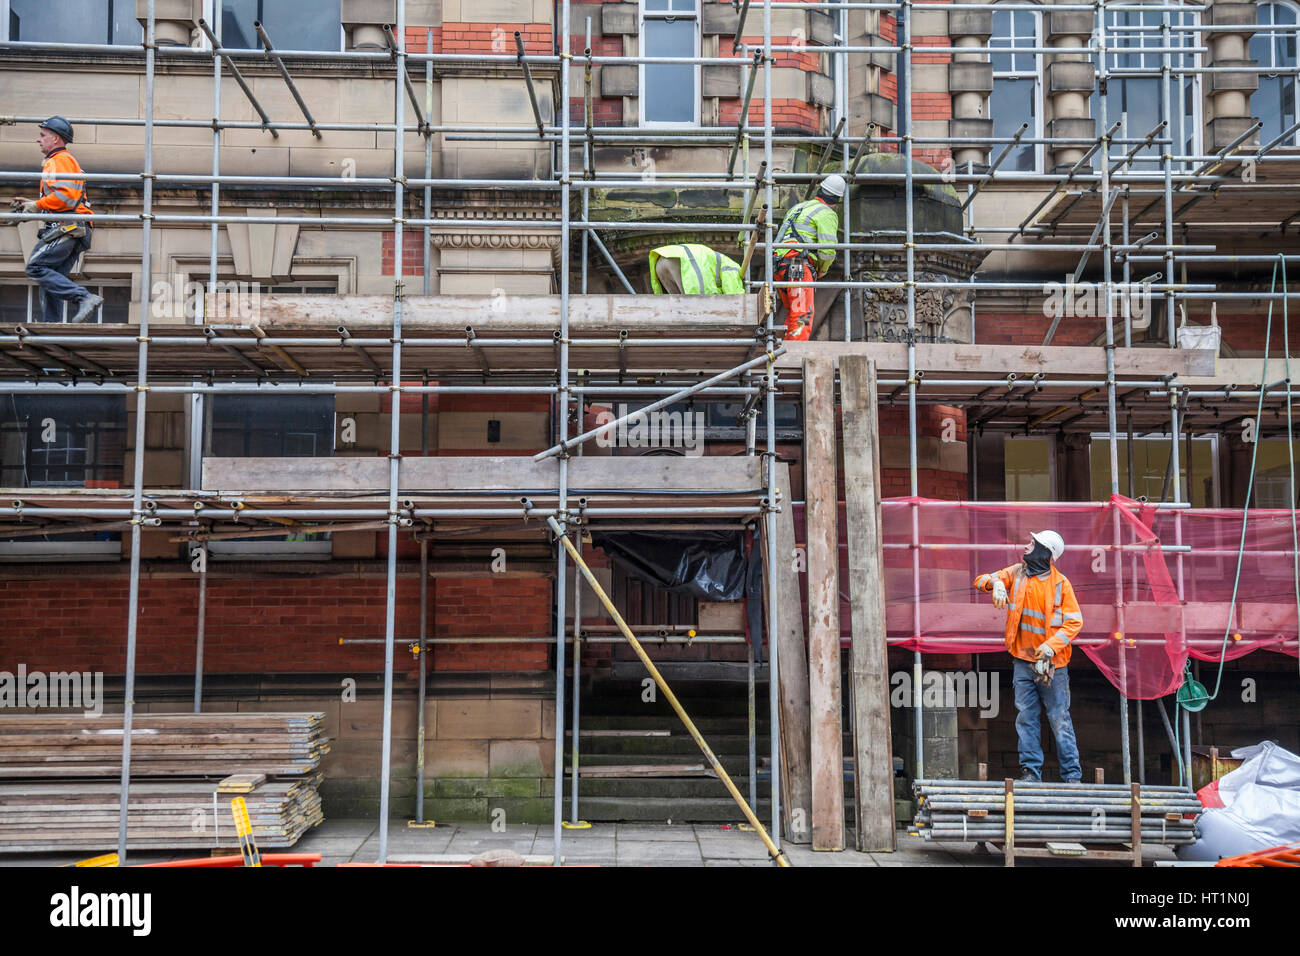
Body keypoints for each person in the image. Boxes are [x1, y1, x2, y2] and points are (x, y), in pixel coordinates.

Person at [974, 530, 1084, 782]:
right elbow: (980, 580)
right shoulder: (1016, 573)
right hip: (1022, 662)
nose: (1026, 546)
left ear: (1046, 553)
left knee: (1059, 719)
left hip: (1052, 665)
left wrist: (1050, 647)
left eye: (1032, 544)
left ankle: (1072, 777)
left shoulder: (1060, 585)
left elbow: (1074, 623)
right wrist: (997, 583)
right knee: (1026, 718)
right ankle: (1031, 773)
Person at [12, 116, 100, 323]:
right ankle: (51, 326)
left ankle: (85, 297)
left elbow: (66, 197)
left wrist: (37, 205)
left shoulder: (58, 160)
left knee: (36, 267)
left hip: (69, 227)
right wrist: (34, 205)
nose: (38, 139)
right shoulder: (63, 161)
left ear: (56, 139)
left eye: (43, 135)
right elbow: (63, 197)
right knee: (50, 279)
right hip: (74, 227)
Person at [771, 173, 843, 341]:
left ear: (820, 190)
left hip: (778, 265)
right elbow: (827, 251)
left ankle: (786, 351)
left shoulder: (798, 207)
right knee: (802, 315)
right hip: (797, 266)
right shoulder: (827, 213)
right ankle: (795, 355)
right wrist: (822, 270)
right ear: (837, 200)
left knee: (794, 312)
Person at [648, 243, 745, 295]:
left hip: (661, 261)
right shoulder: (734, 267)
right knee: (697, 304)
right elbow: (734, 296)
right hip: (680, 260)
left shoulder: (719, 261)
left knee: (679, 304)